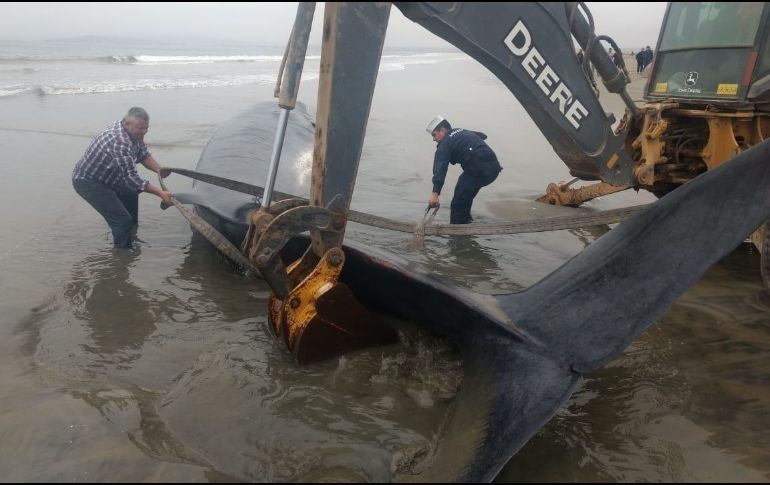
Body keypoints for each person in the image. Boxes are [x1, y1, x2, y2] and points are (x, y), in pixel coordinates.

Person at [72, 107, 174, 249]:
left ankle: (131, 232)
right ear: (126, 124)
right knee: (121, 220)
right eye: (140, 128)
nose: (144, 132)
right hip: (89, 182)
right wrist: (160, 193)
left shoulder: (133, 133)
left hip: (112, 176)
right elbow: (132, 178)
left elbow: (142, 154)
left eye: (146, 128)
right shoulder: (119, 141)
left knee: (131, 192)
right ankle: (121, 256)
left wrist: (159, 169)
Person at [425, 116, 502, 224]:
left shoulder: (444, 143)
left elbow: (440, 167)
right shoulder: (461, 131)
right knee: (465, 194)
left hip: (479, 169)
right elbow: (483, 135)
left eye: (434, 135)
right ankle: (467, 221)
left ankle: (457, 232)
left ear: (442, 130)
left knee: (458, 202)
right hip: (494, 167)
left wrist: (435, 193)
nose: (434, 139)